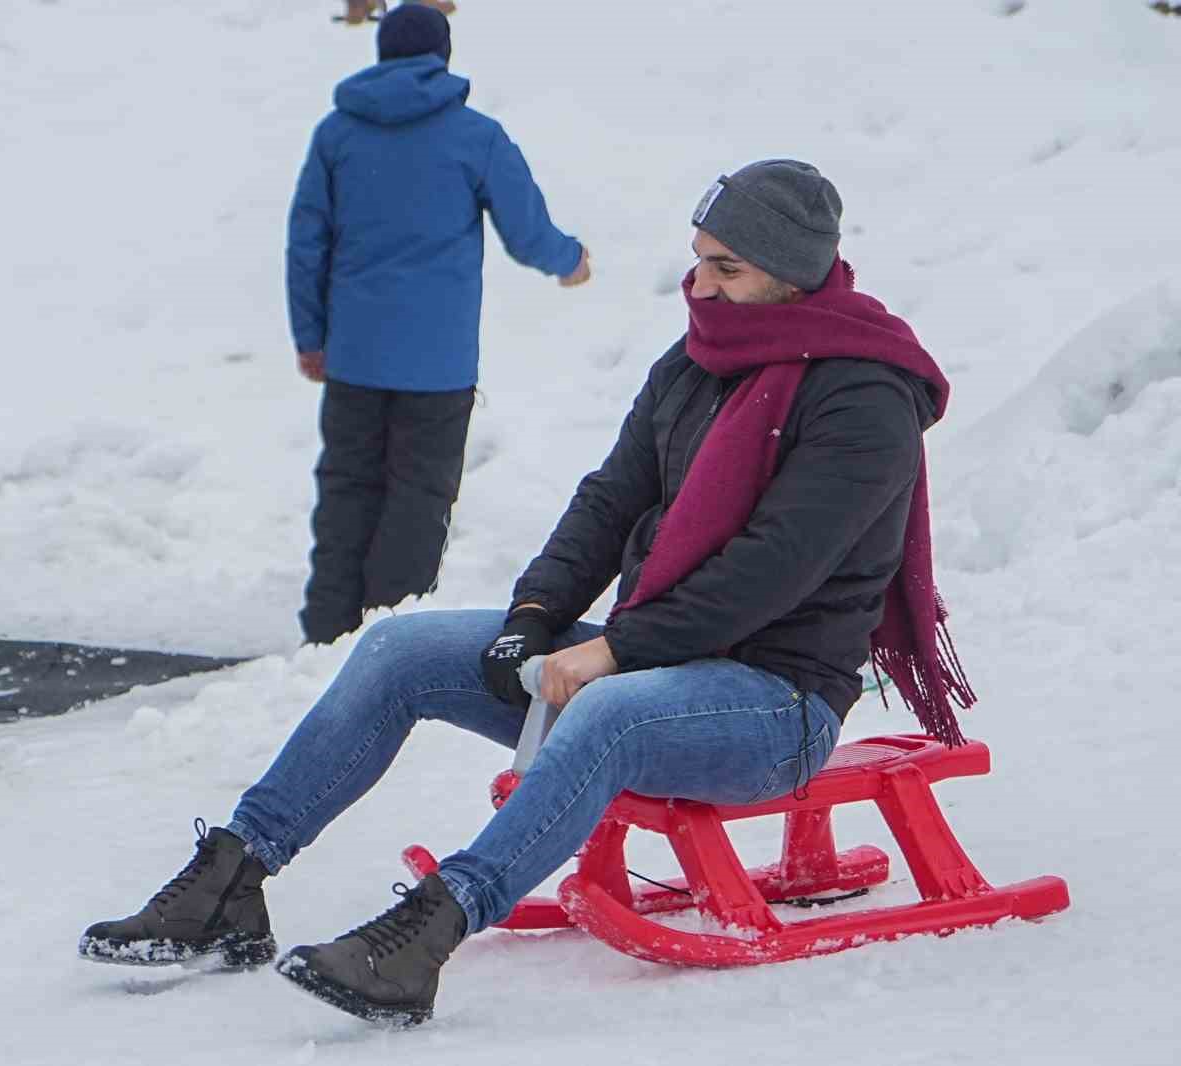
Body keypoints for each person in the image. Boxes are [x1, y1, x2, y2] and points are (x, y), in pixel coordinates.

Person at [81, 160, 974, 1027]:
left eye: (726, 267)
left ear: (792, 276)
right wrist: (534, 618)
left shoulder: (866, 398)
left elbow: (775, 566)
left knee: (611, 710)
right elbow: (612, 497)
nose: (697, 283)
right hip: (664, 655)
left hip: (776, 703)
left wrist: (615, 650)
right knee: (401, 653)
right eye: (698, 255)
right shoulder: (701, 358)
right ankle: (233, 878)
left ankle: (428, 936)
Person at [289, 4, 590, 645]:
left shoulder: (337, 134)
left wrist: (310, 337)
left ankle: (323, 635)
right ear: (443, 56)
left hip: (354, 357)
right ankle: (391, 636)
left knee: (347, 488)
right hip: (437, 362)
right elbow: (527, 231)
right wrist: (570, 260)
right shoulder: (474, 136)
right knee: (419, 496)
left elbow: (305, 243)